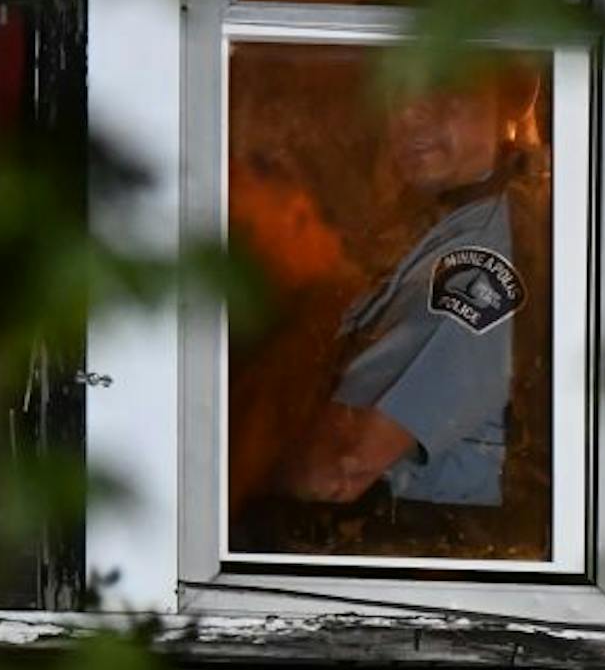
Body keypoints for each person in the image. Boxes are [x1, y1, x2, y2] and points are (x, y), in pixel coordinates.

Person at [230, 71, 547, 558]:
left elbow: (339, 466)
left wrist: (221, 474)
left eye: (446, 88)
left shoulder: (482, 258)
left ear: (512, 99)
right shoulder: (438, 227)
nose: (409, 114)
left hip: (431, 569)